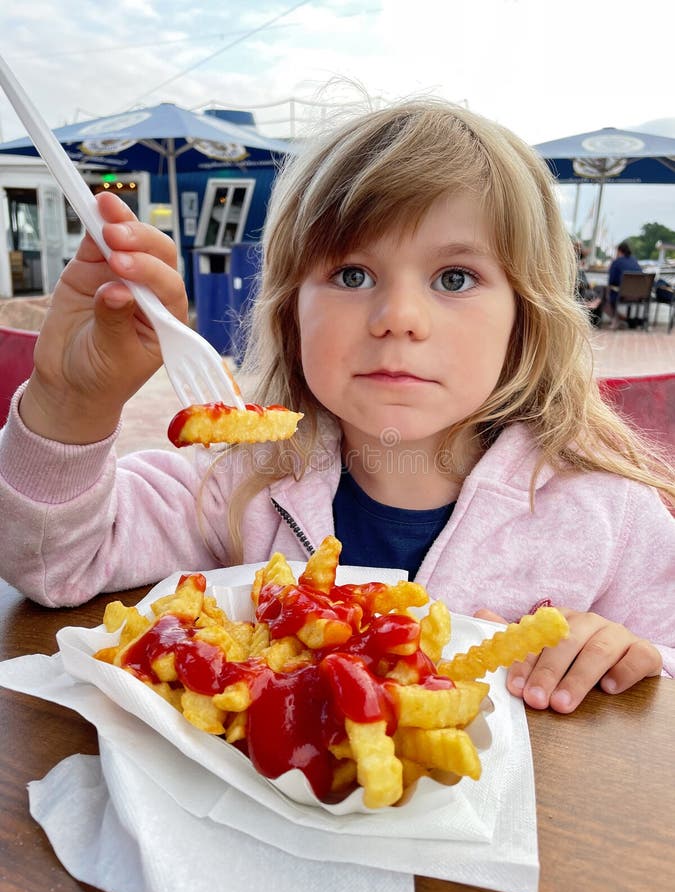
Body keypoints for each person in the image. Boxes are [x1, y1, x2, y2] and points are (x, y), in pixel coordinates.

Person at [0, 100, 674, 718]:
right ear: (291, 315)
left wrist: (634, 663)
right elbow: (54, 563)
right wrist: (73, 399)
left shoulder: (610, 515)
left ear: (525, 318)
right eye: (351, 275)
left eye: (454, 278)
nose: (398, 318)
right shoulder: (233, 482)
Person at [605, 240, 643, 328]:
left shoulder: (616, 262)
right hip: (638, 295)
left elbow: (611, 281)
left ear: (619, 251)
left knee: (603, 296)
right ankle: (624, 320)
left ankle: (617, 320)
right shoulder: (635, 261)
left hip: (622, 295)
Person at [573, 240, 603, 326]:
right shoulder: (574, 265)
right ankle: (594, 302)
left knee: (600, 288)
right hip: (580, 292)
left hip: (582, 289)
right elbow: (579, 283)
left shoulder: (579, 265)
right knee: (599, 290)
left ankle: (595, 302)